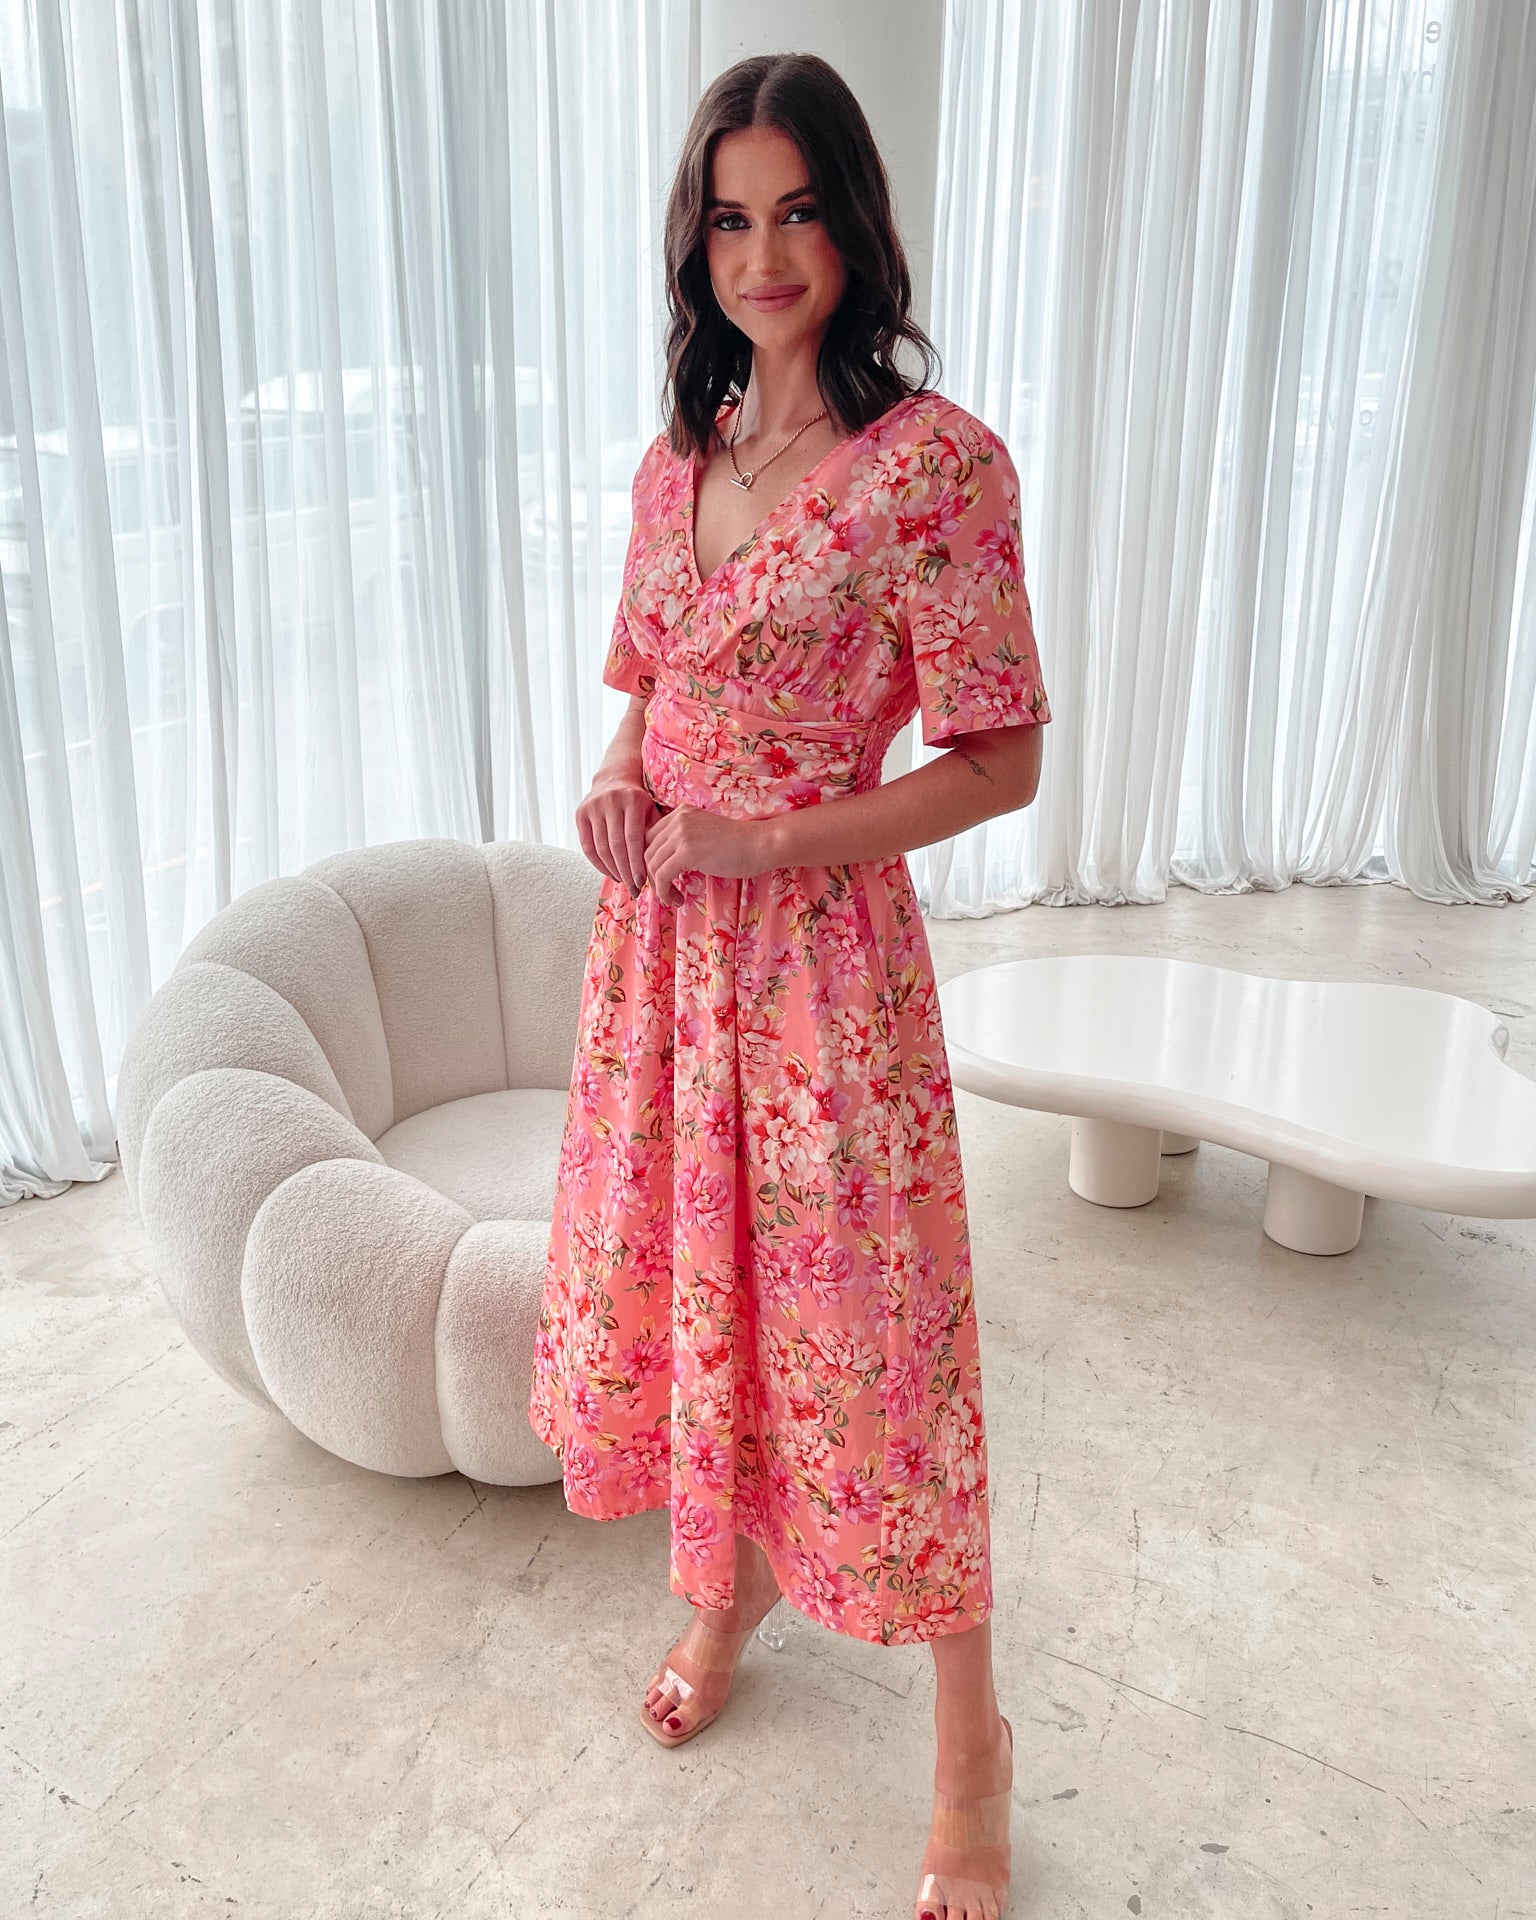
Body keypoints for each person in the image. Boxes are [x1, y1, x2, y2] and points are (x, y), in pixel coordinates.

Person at [528, 50, 1051, 1920]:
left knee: (878, 1353)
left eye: (798, 210)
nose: (763, 253)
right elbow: (642, 706)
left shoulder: (935, 469)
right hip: (660, 971)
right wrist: (616, 783)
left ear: (854, 221)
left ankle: (970, 1745)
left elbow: (1003, 760)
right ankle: (718, 1585)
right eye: (730, 217)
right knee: (697, 1296)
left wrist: (768, 837)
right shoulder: (679, 460)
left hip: (824, 977)